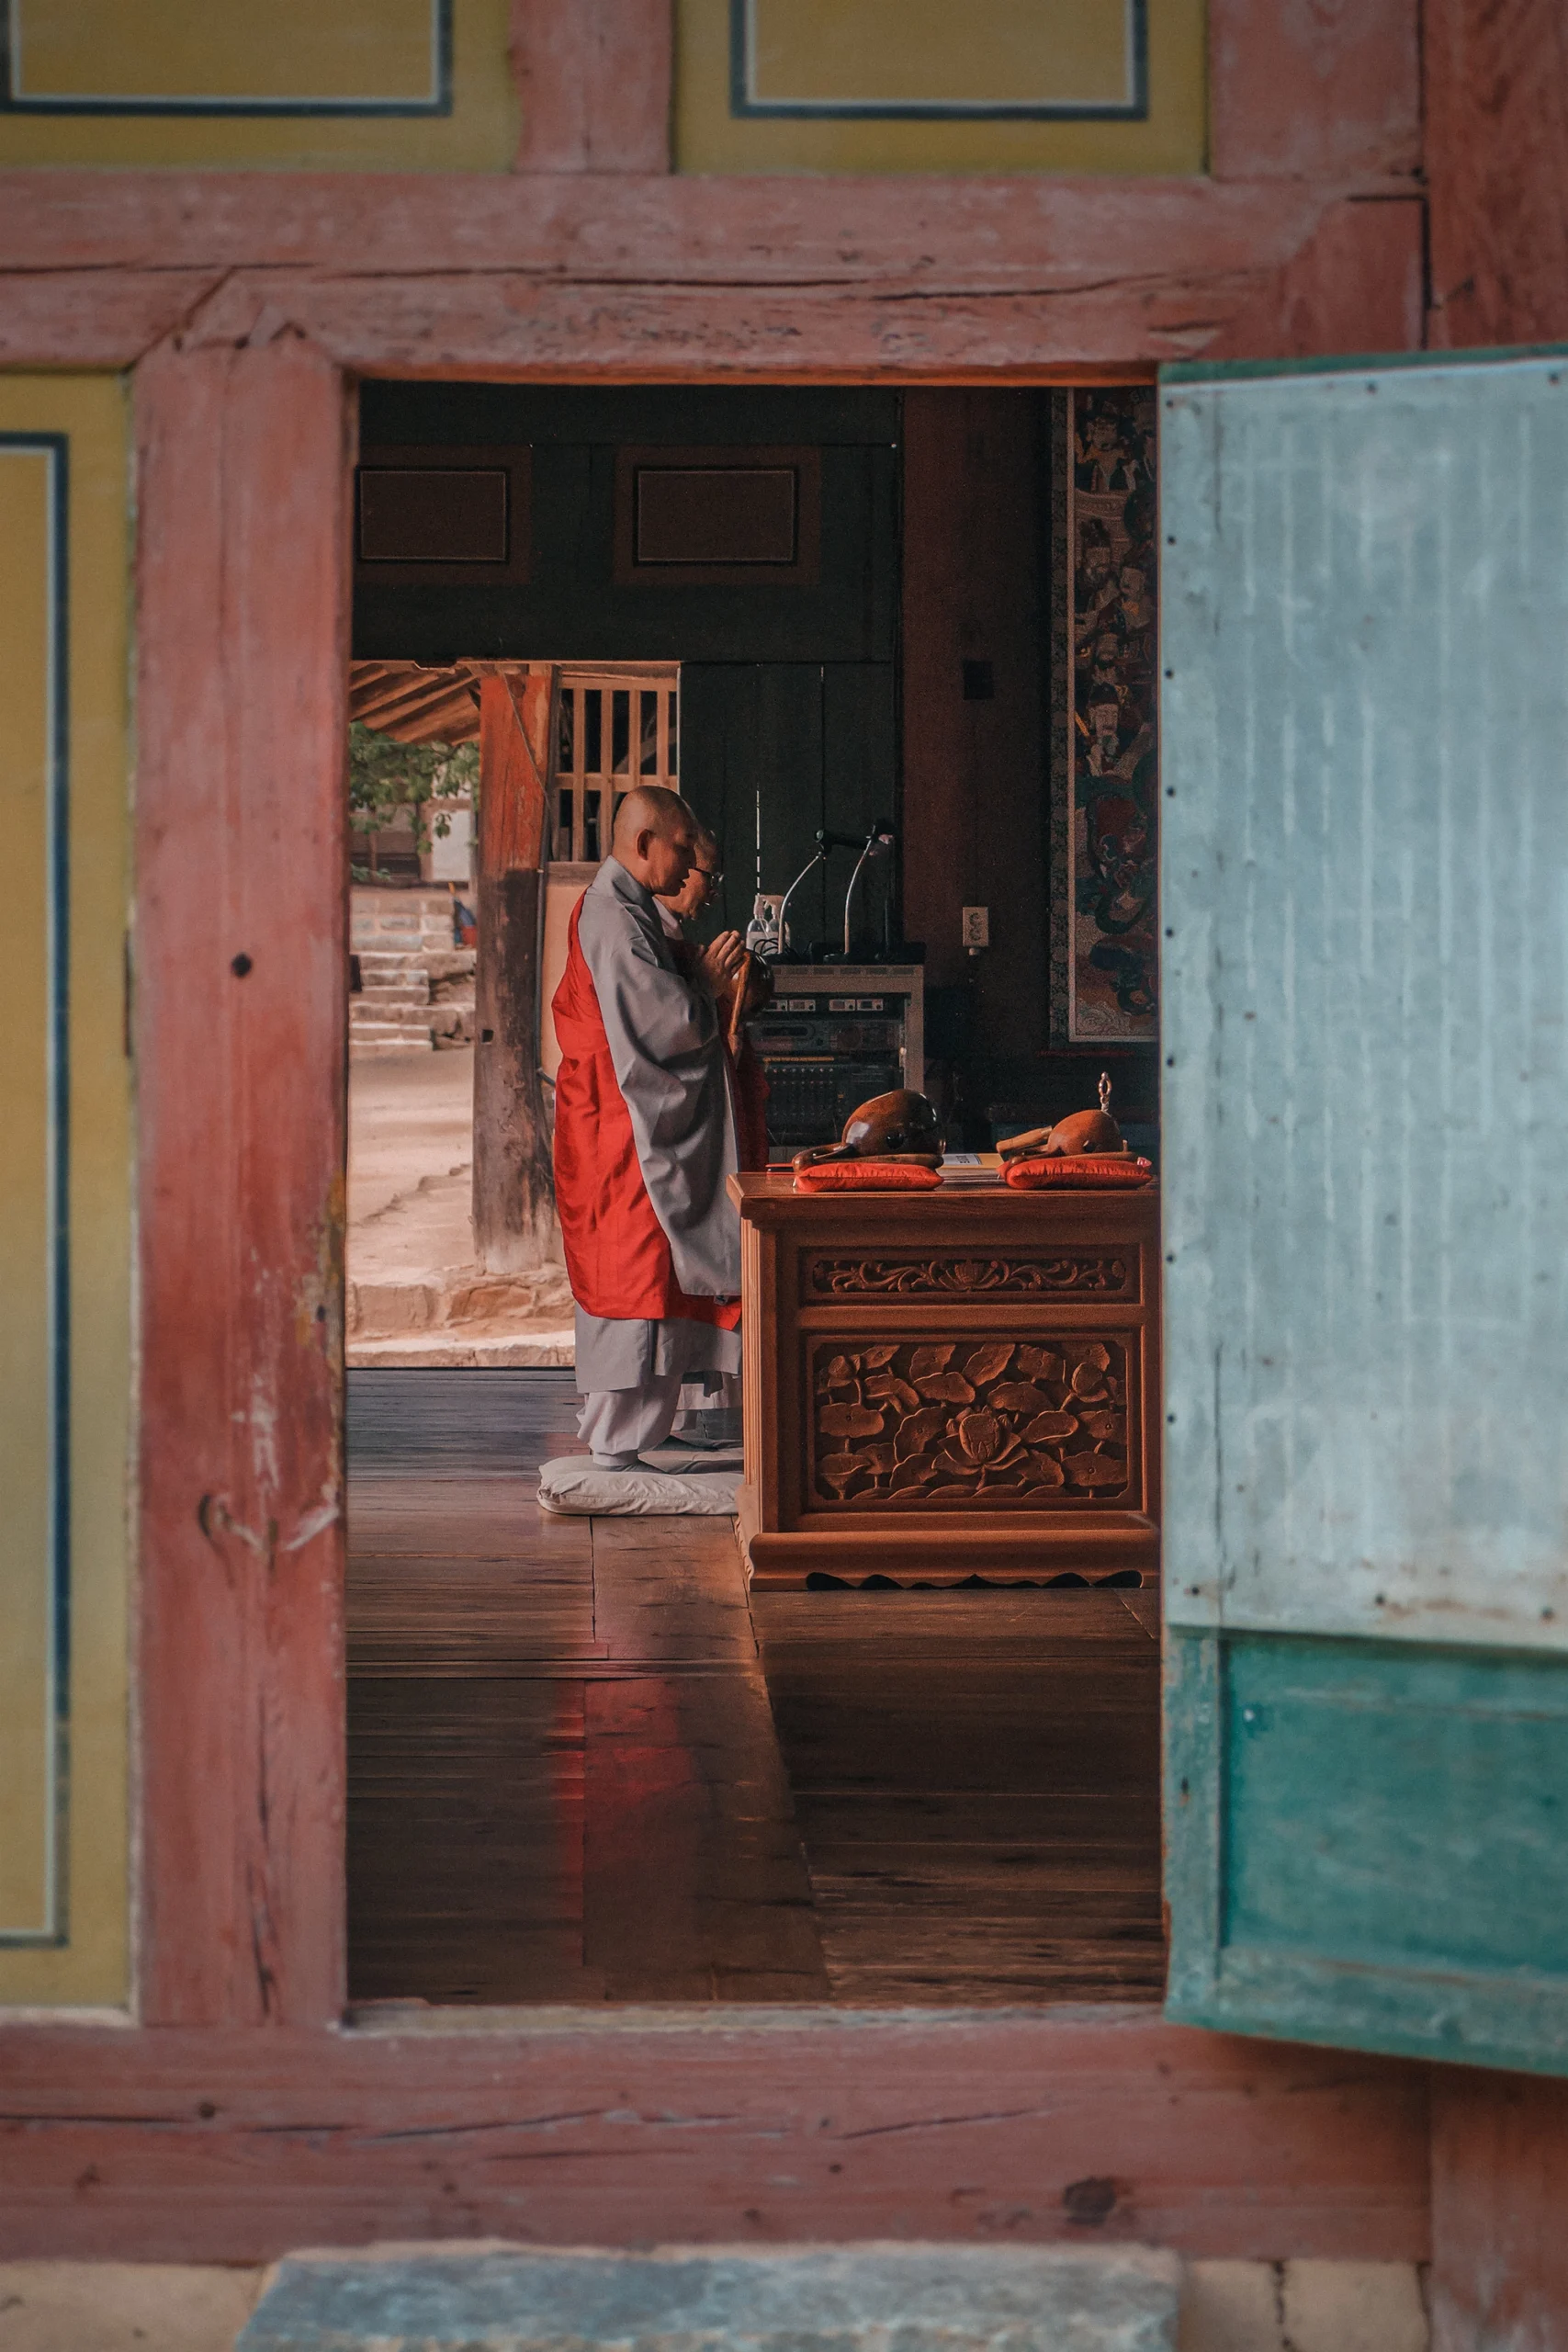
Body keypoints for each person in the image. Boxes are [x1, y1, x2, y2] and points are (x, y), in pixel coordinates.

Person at [551, 786, 748, 1468]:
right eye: (684, 847)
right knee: (638, 1272)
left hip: (628, 1119)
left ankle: (645, 1427)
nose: (693, 863)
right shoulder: (610, 916)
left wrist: (705, 974)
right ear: (643, 845)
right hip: (624, 1127)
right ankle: (617, 1438)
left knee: (659, 1276)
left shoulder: (632, 911)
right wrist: (711, 993)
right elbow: (664, 1026)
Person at [654, 827, 773, 1452]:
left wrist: (734, 1004)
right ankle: (675, 1417)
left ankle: (712, 1415)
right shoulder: (639, 935)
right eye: (705, 873)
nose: (702, 888)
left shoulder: (674, 939)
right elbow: (658, 1034)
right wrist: (705, 992)